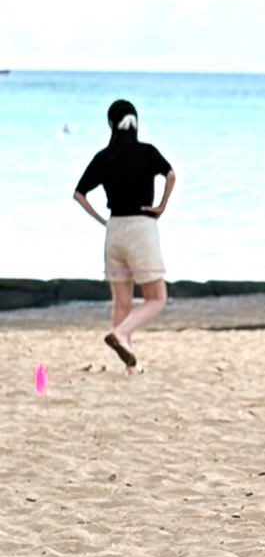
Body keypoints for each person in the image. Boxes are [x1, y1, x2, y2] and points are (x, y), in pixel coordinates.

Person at [72, 99, 175, 373]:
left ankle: (131, 366)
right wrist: (162, 206)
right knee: (157, 298)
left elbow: (79, 194)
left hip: (114, 230)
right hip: (141, 229)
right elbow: (171, 175)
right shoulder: (147, 152)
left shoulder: (103, 157)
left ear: (111, 124)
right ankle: (120, 333)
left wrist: (102, 220)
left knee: (122, 302)